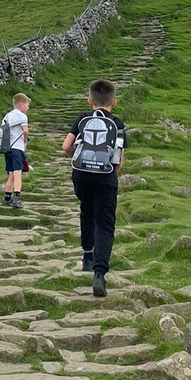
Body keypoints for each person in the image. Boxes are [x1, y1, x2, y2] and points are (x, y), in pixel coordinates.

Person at [62, 79, 127, 297]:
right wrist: (109, 176)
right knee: (105, 223)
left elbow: (66, 146)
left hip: (81, 175)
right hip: (105, 178)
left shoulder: (82, 118)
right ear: (114, 102)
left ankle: (87, 255)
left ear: (90, 101)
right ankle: (99, 274)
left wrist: (79, 160)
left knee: (86, 210)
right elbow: (118, 161)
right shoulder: (117, 124)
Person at [2, 93, 31, 208]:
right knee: (18, 173)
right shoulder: (22, 116)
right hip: (17, 148)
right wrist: (25, 140)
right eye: (27, 105)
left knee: (11, 174)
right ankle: (17, 197)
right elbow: (25, 130)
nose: (28, 108)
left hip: (7, 148)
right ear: (21, 104)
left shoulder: (7, 116)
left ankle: (7, 197)